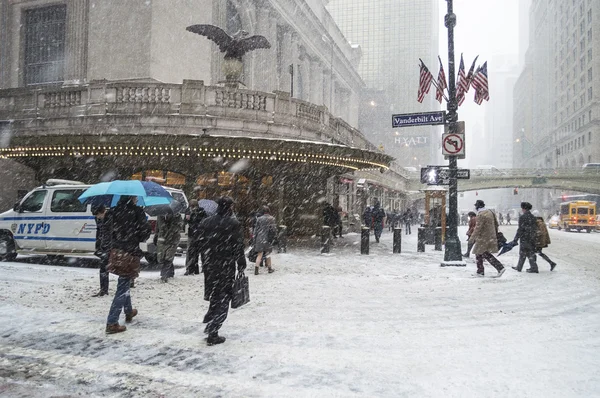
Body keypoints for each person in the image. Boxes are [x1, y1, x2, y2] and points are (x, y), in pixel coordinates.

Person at [198, 196, 246, 345]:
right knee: (224, 296)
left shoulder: (206, 222)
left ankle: (210, 319)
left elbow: (200, 242)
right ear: (229, 207)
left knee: (215, 293)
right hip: (225, 265)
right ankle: (214, 329)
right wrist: (241, 263)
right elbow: (238, 245)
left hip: (210, 264)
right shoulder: (233, 224)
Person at [104, 196, 151, 334]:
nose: (137, 199)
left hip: (116, 251)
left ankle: (129, 311)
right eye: (135, 197)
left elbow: (106, 232)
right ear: (132, 197)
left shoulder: (112, 211)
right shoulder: (136, 212)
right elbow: (144, 233)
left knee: (124, 280)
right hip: (129, 252)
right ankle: (112, 322)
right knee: (123, 285)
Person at [468, 200, 506, 277]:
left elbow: (478, 228)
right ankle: (481, 270)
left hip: (483, 237)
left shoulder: (481, 215)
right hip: (490, 236)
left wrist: (472, 238)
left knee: (481, 253)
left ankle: (498, 267)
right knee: (481, 253)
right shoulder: (490, 212)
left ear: (477, 206)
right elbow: (496, 224)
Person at [512, 202, 539, 273]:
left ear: (524, 209)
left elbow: (520, 229)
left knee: (522, 253)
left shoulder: (522, 217)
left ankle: (520, 267)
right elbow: (535, 228)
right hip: (532, 238)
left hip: (524, 238)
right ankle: (533, 267)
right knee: (531, 253)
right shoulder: (533, 217)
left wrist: (516, 239)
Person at [156, 211, 182, 282]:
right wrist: (156, 236)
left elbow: (178, 227)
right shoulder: (160, 215)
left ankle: (164, 274)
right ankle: (170, 272)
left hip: (173, 239)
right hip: (162, 239)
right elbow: (158, 226)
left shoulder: (177, 216)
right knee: (162, 257)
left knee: (169, 257)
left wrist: (169, 230)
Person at [92, 205, 110, 297]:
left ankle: (104, 289)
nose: (97, 217)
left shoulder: (109, 219)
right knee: (103, 267)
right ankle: (103, 289)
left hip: (108, 246)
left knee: (104, 267)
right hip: (103, 246)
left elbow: (107, 234)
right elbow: (99, 233)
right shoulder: (100, 220)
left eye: (97, 215)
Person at [185, 199, 206, 275]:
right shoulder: (188, 211)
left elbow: (204, 221)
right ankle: (190, 268)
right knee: (191, 252)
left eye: (193, 206)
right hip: (192, 234)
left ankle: (202, 267)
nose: (192, 207)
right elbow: (186, 221)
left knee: (200, 252)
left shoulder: (201, 211)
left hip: (200, 234)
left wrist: (198, 225)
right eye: (191, 206)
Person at [254, 206, 277, 275]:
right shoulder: (271, 219)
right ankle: (269, 268)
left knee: (259, 255)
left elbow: (256, 230)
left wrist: (254, 238)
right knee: (268, 254)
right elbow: (273, 229)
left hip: (259, 238)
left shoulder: (259, 219)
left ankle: (256, 269)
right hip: (267, 238)